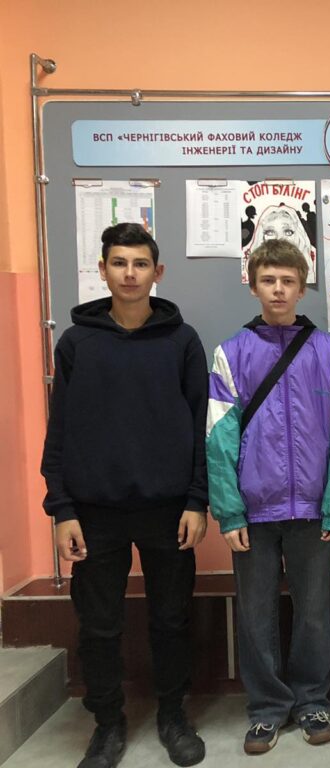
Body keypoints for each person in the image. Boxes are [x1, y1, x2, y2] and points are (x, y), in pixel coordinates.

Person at [41, 223, 208, 768]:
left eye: (140, 264)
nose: (130, 274)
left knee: (171, 620)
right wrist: (62, 509)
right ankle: (108, 724)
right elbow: (59, 430)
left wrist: (197, 500)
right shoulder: (76, 343)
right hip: (95, 513)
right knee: (99, 626)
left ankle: (173, 716)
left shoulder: (182, 342)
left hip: (168, 509)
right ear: (103, 269)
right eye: (119, 263)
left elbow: (201, 426)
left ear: (158, 272)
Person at [206, 239, 330, 754]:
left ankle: (312, 699)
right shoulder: (231, 353)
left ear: (302, 286)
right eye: (268, 280)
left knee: (314, 610)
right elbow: (219, 437)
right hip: (254, 509)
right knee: (256, 615)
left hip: (314, 509)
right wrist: (229, 512)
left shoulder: (328, 351)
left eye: (288, 281)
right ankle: (267, 708)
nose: (278, 290)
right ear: (253, 286)